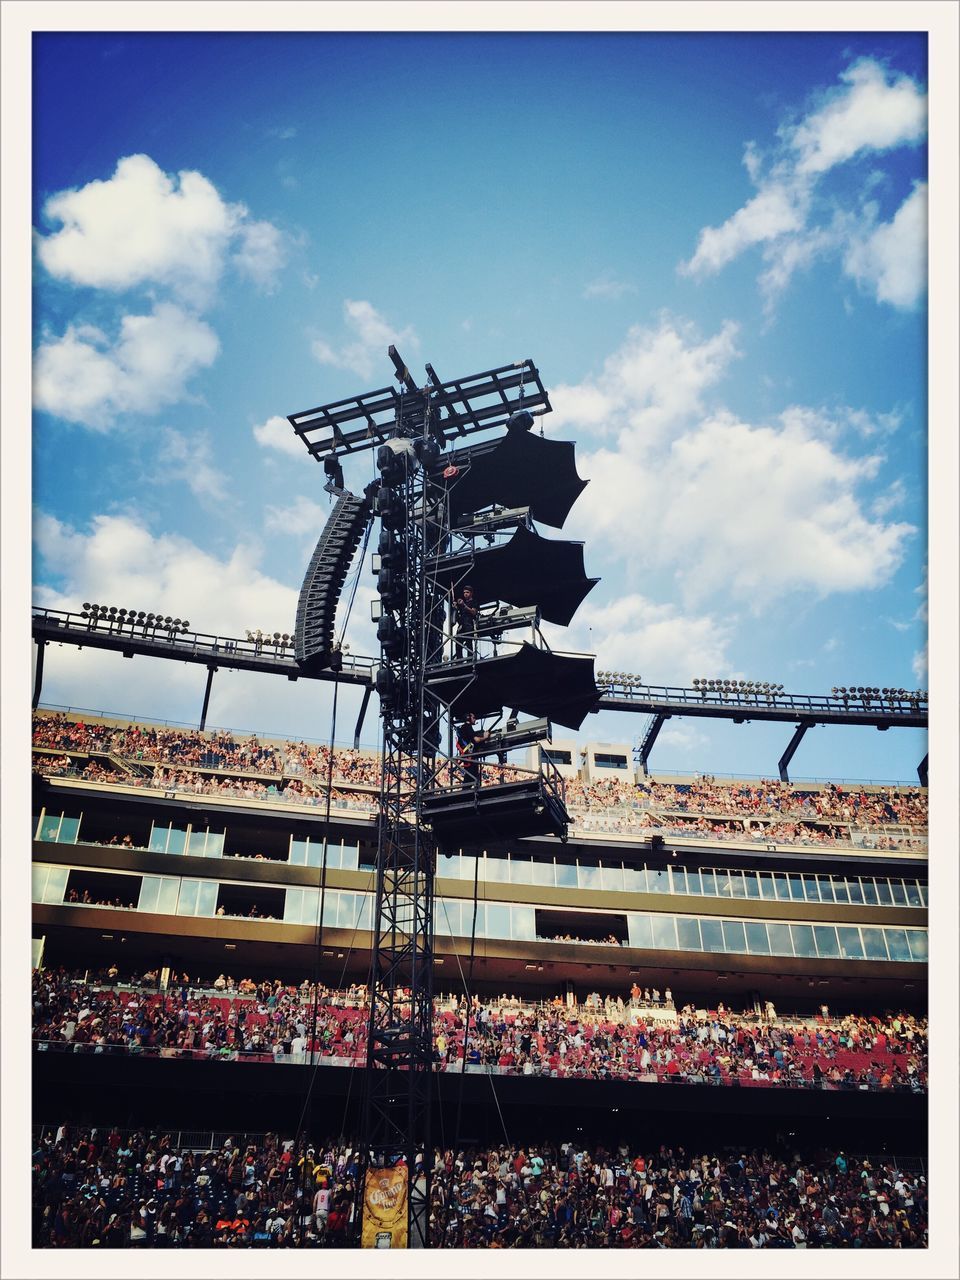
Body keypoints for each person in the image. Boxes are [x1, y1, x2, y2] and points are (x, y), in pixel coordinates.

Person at [453, 585, 479, 659]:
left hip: (469, 624)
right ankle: (459, 660)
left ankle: (470, 659)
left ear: (471, 593)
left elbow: (474, 612)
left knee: (469, 642)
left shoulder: (474, 602)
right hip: (461, 625)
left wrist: (464, 605)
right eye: (464, 592)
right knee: (458, 642)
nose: (465, 594)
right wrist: (456, 607)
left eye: (467, 592)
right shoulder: (461, 604)